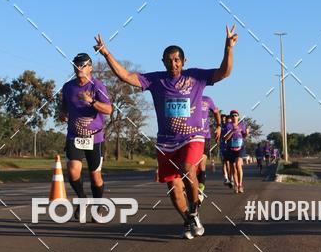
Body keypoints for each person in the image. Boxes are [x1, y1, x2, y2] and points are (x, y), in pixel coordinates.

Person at [94, 26, 238, 239]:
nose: (173, 64)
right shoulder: (155, 80)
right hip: (166, 143)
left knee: (188, 169)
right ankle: (189, 218)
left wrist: (228, 48)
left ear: (184, 61)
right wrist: (106, 54)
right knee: (172, 187)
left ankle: (195, 210)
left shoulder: (196, 77)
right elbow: (125, 75)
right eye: (169, 60)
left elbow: (223, 72)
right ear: (163, 62)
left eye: (177, 60)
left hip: (193, 136)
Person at [60, 53, 113, 221]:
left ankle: (98, 207)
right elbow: (64, 106)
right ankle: (82, 199)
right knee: (72, 171)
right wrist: (63, 113)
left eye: (82, 65)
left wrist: (91, 101)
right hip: (74, 136)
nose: (79, 68)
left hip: (95, 138)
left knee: (95, 176)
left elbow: (109, 110)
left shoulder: (98, 86)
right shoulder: (68, 87)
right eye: (76, 65)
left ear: (90, 67)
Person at [197, 94, 221, 205]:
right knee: (189, 166)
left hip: (204, 137)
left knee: (201, 165)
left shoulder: (207, 100)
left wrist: (219, 126)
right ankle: (189, 188)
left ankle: (200, 191)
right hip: (189, 137)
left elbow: (216, 111)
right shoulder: (186, 98)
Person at [223, 110, 248, 194]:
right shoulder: (228, 126)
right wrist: (233, 131)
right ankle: (236, 185)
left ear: (238, 116)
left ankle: (240, 185)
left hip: (240, 148)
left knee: (238, 165)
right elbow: (225, 138)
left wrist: (247, 133)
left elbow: (244, 135)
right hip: (230, 148)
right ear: (230, 117)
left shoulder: (242, 124)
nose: (234, 117)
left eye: (236, 115)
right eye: (232, 115)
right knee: (233, 168)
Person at [220, 113, 232, 186]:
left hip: (230, 147)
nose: (223, 120)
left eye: (225, 119)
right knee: (224, 163)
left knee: (229, 164)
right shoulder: (220, 127)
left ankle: (231, 178)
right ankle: (226, 178)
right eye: (222, 119)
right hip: (222, 147)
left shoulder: (229, 126)